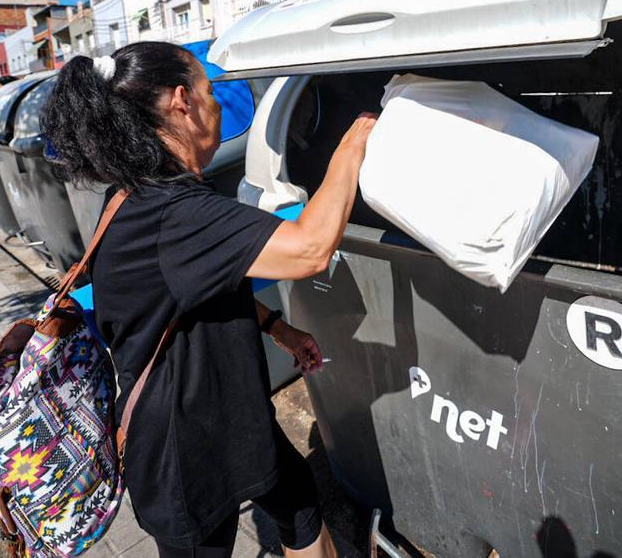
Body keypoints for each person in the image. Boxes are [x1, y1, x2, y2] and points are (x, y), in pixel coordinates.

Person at [43, 41, 375, 558]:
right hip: (182, 452)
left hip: (233, 413)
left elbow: (188, 293)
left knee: (300, 506)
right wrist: (355, 143)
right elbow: (310, 249)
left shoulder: (143, 193)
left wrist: (277, 328)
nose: (218, 103)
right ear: (182, 101)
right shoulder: (174, 211)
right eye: (209, 89)